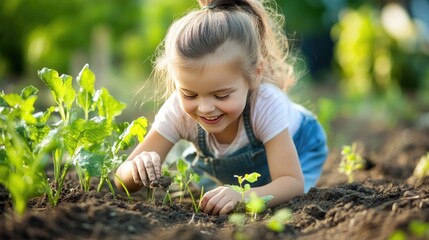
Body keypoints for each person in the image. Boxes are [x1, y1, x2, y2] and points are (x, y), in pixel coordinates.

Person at [115, 0, 328, 216]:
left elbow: (291, 183)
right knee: (214, 198)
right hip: (233, 170)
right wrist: (135, 168)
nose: (205, 108)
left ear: (254, 75)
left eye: (221, 95)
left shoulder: (265, 104)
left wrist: (243, 197)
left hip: (300, 149)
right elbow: (120, 179)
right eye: (190, 94)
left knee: (286, 204)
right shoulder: (177, 111)